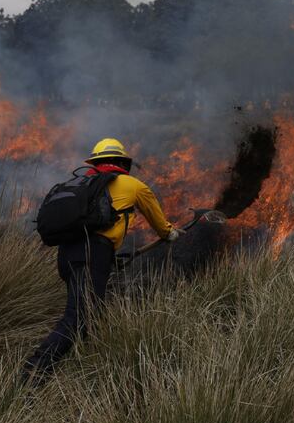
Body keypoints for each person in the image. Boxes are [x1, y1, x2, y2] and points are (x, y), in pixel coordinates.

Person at [23, 138, 179, 380]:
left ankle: (90, 372)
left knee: (91, 314)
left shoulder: (80, 184)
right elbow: (161, 226)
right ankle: (34, 372)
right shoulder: (134, 185)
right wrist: (171, 233)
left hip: (67, 255)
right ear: (121, 163)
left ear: (96, 163)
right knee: (79, 318)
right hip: (92, 253)